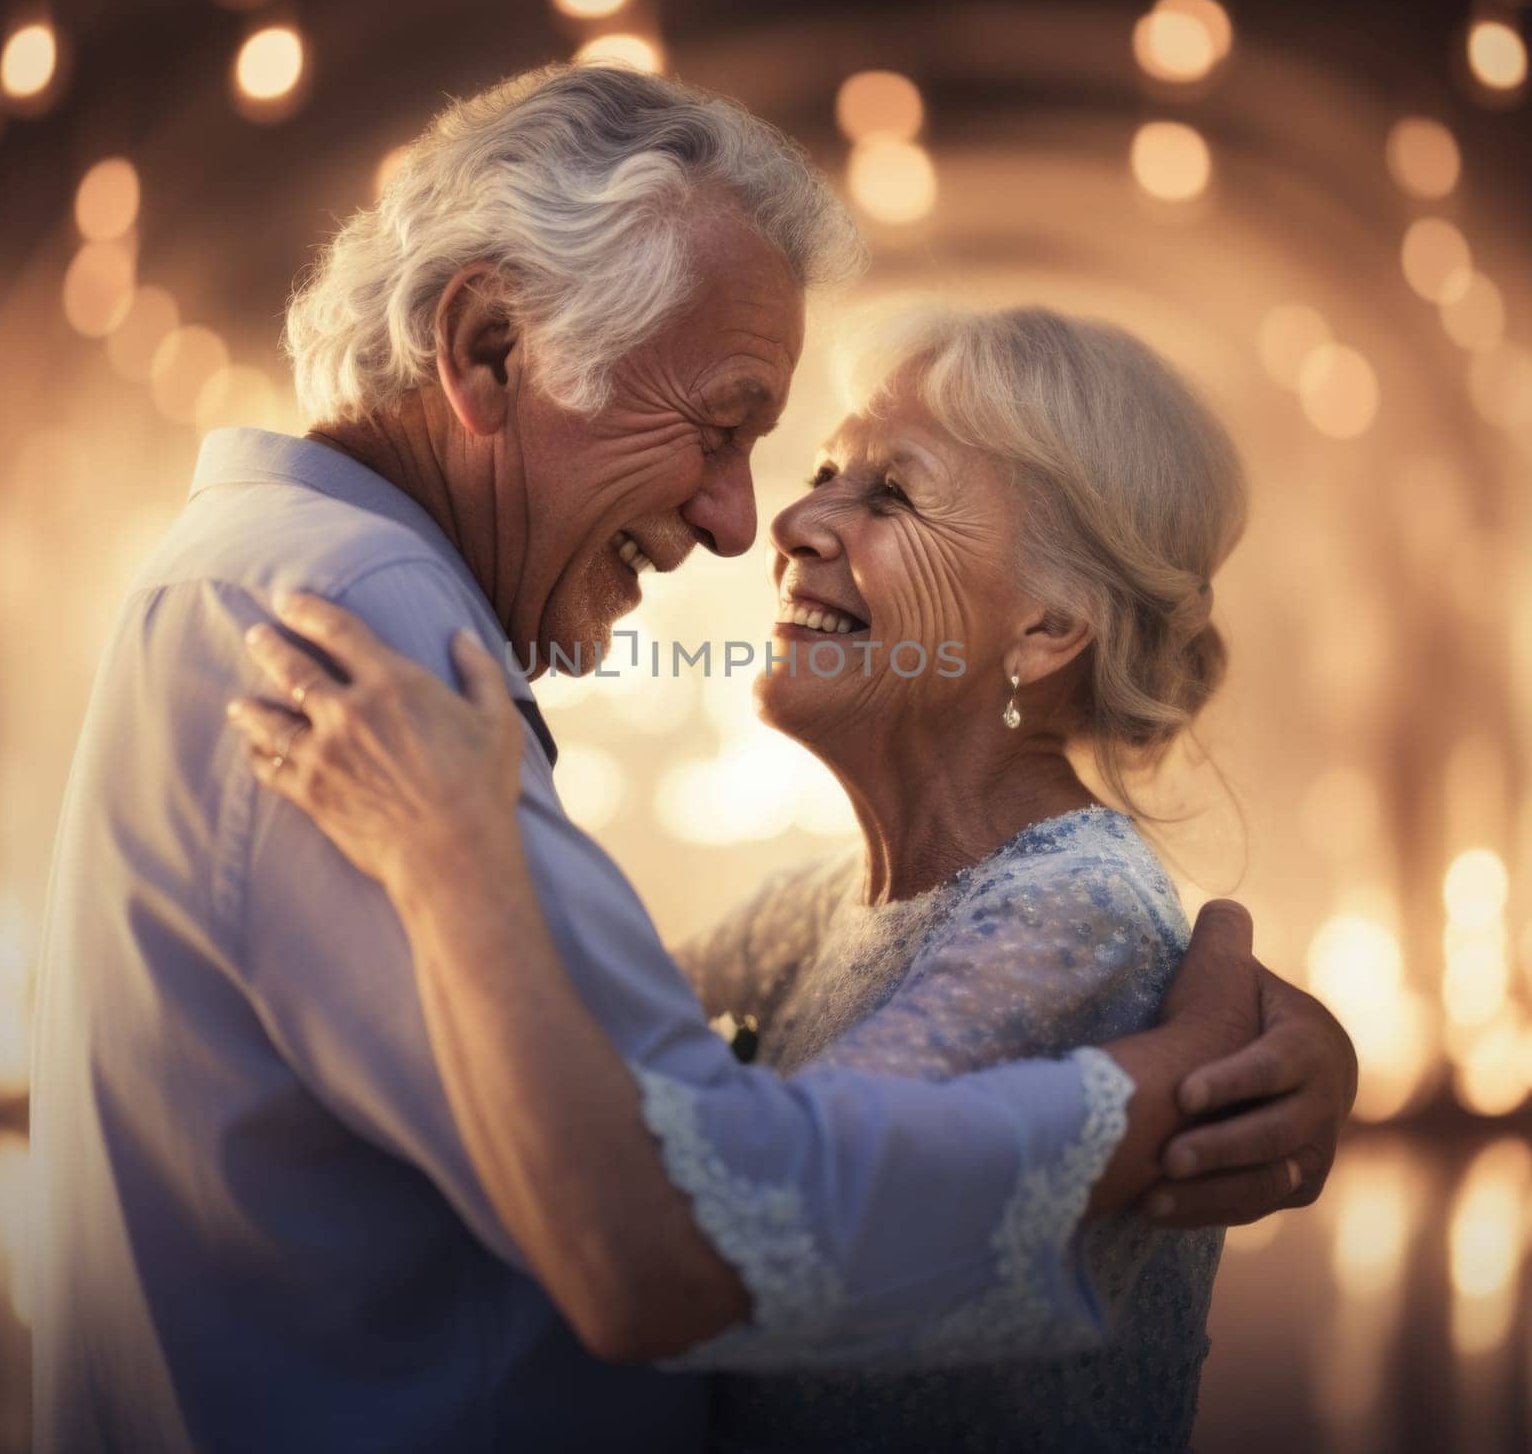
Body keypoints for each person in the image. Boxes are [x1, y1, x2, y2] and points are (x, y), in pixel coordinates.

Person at [31, 63, 1355, 1454]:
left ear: (1048, 628)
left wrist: (1245, 1026)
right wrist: (1169, 1084)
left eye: (885, 492)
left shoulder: (308, 600)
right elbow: (691, 1217)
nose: (756, 523)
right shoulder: (358, 631)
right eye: (736, 434)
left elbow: (676, 1124)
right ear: (489, 348)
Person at [231, 303, 1300, 1452]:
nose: (789, 521)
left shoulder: (1075, 913)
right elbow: (586, 1049)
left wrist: (450, 847)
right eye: (830, 472)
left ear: (1045, 628)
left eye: (890, 494)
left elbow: (734, 1214)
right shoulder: (829, 906)